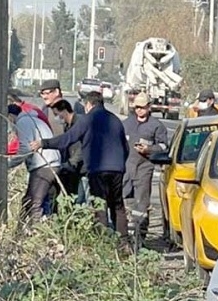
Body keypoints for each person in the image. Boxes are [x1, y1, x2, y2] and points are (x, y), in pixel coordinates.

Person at [30, 92, 130, 239]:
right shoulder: (115, 120)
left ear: (89, 104)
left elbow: (68, 139)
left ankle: (103, 241)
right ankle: (124, 241)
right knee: (117, 205)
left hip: (98, 169)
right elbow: (125, 148)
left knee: (99, 204)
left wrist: (44, 143)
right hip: (117, 169)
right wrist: (120, 164)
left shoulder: (87, 119)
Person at [122, 92, 168, 238]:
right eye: (137, 107)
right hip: (126, 169)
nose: (139, 110)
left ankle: (140, 236)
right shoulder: (126, 124)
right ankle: (124, 235)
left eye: (142, 107)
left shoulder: (156, 126)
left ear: (149, 107)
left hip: (144, 169)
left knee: (141, 205)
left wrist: (149, 149)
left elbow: (164, 147)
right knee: (123, 202)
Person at [7, 104, 61, 222]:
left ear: (11, 116)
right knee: (47, 203)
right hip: (54, 163)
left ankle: (35, 230)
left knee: (34, 203)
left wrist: (8, 164)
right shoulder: (34, 119)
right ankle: (48, 228)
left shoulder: (23, 122)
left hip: (43, 166)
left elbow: (25, 149)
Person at [50, 99, 84, 198]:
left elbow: (82, 147)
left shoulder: (80, 123)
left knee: (80, 199)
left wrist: (72, 162)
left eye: (57, 114)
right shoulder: (67, 125)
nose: (56, 118)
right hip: (71, 168)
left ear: (64, 111)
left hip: (81, 169)